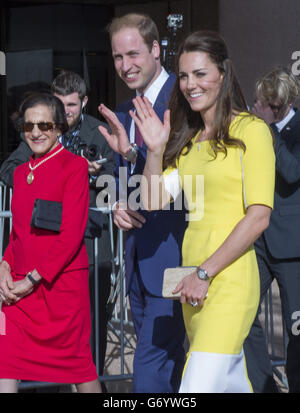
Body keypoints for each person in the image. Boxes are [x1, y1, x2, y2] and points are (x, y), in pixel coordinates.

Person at [128, 30, 275, 392]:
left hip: (226, 284)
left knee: (196, 386)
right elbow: (151, 199)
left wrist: (205, 274)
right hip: (192, 288)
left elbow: (258, 216)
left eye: (200, 74)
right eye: (183, 75)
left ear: (222, 75)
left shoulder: (251, 131)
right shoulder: (191, 142)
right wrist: (155, 150)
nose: (190, 84)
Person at [0, 71, 114, 389]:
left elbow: (71, 236)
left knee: (80, 370)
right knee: (4, 357)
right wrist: (5, 265)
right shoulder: (21, 173)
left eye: (45, 125)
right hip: (20, 292)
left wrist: (32, 279)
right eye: (29, 126)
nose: (36, 133)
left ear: (59, 127)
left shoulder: (74, 167)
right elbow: (16, 233)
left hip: (59, 289)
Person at [98, 13, 187, 393]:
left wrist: (135, 152)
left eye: (133, 54)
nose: (125, 66)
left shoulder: (185, 101)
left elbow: (182, 181)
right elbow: (130, 182)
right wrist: (118, 202)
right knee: (167, 366)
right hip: (137, 260)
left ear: (155, 49)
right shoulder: (124, 110)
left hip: (180, 255)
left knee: (148, 369)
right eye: (118, 57)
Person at [244, 67, 300, 393]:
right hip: (259, 241)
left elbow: (293, 172)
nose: (253, 106)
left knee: (296, 329)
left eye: (260, 103)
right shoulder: (254, 130)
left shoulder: (291, 130)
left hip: (292, 248)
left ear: (276, 107)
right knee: (243, 312)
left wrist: (270, 133)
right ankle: (265, 386)